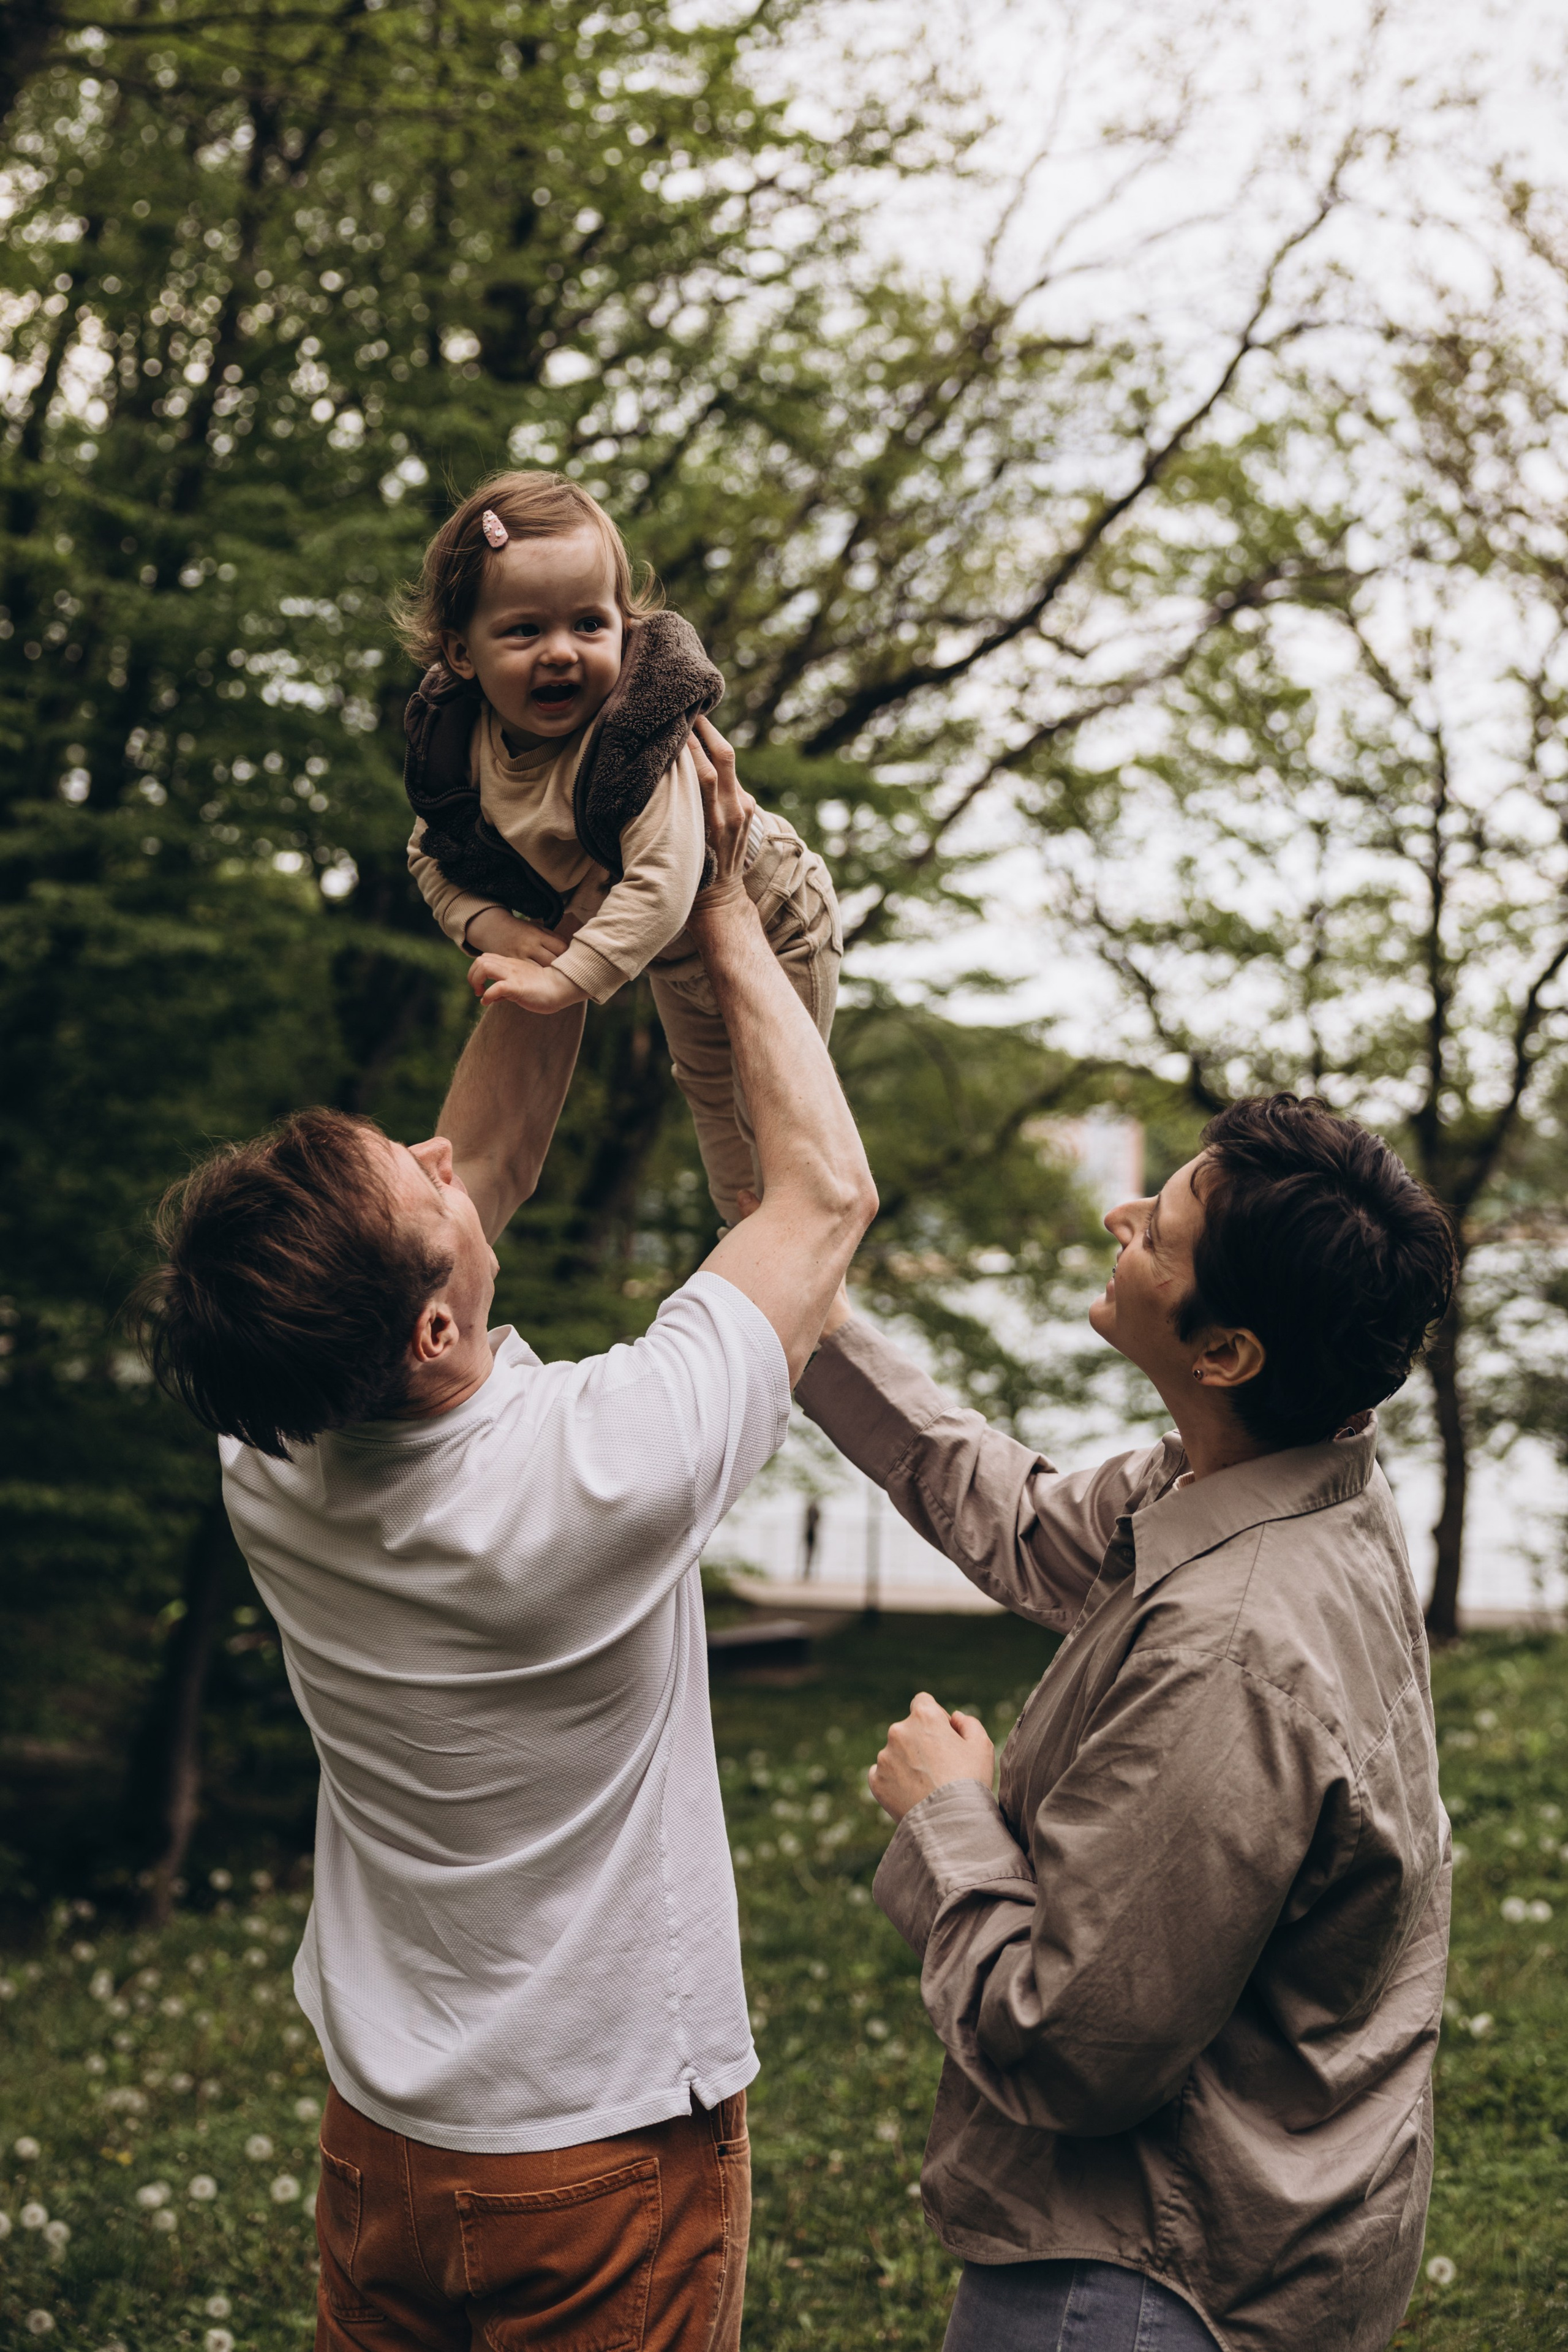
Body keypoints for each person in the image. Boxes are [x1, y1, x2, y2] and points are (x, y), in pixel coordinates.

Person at [134, 728, 876, 2352]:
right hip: (604, 2155)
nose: (433, 1149)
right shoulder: (606, 1467)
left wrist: (562, 957)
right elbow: (819, 1206)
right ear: (426, 1333)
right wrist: (722, 906)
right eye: (409, 1176)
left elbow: (488, 1163)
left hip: (385, 2143)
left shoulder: (276, 1448)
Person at [794, 1096, 1458, 2352]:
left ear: (1224, 1354)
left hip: (1137, 2290)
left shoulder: (1227, 1653)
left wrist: (948, 1814)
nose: (1120, 1217)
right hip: (1242, 2246)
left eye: (1157, 1233)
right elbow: (994, 1502)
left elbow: (1069, 2051)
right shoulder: (1281, 1481)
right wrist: (796, 1297)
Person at [398, 467, 842, 1226]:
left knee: (770, 1123)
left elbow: (669, 881)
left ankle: (804, 1273)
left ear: (626, 630)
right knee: (710, 1108)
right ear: (461, 654)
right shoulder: (459, 751)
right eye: (524, 630)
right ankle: (756, 1251)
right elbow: (429, 859)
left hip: (768, 916)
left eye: (589, 625)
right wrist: (493, 927)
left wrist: (567, 978)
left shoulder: (633, 740)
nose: (561, 653)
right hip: (667, 949)